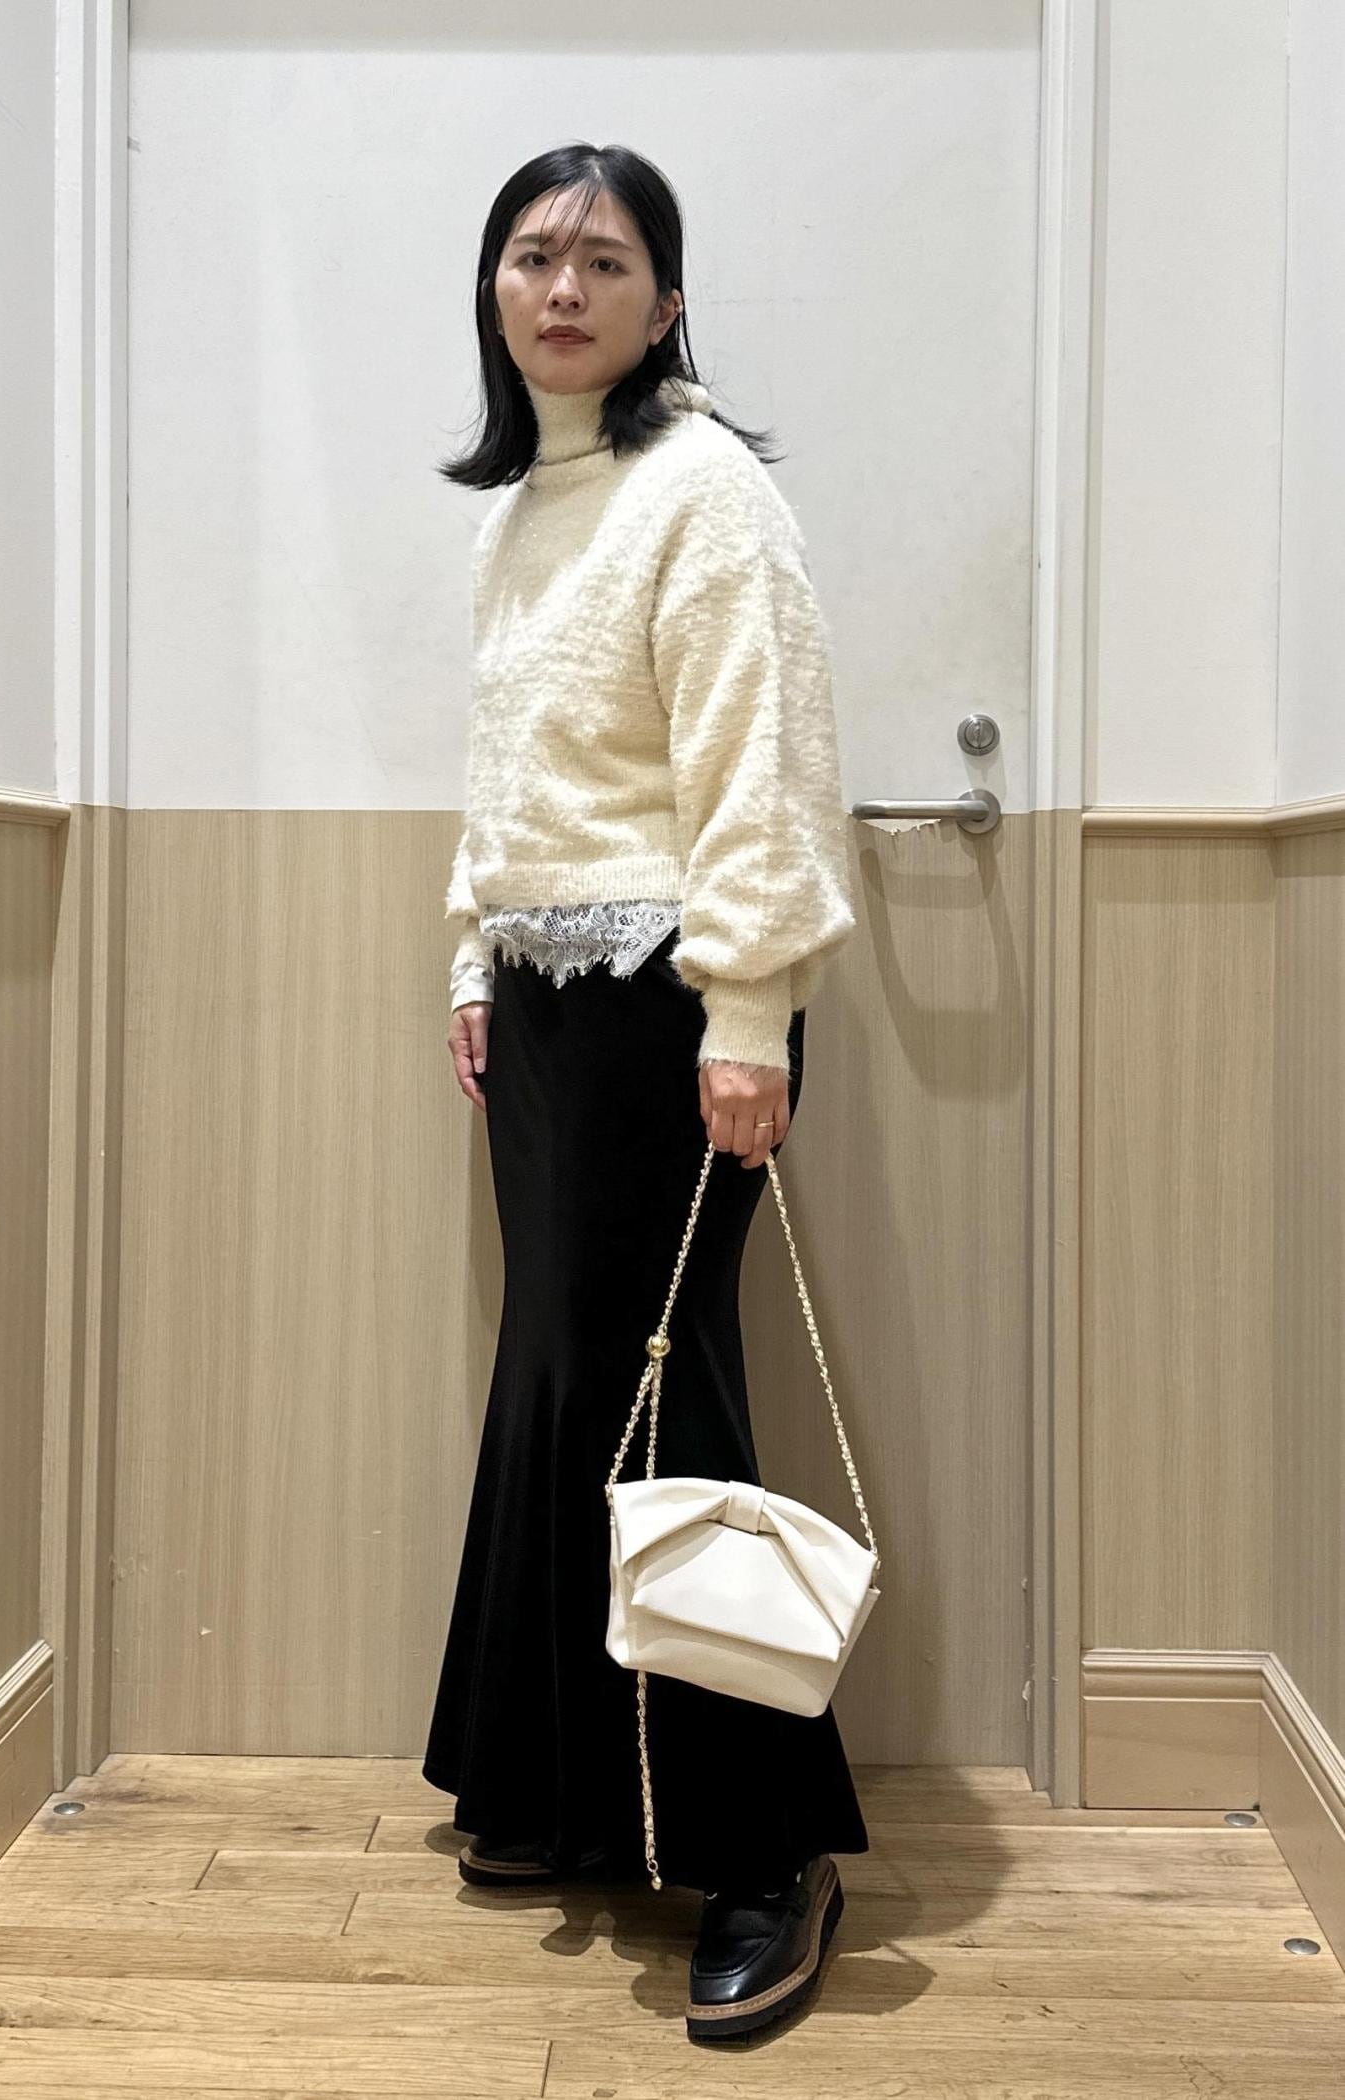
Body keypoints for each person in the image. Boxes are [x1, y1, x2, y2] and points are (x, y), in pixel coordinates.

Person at [422, 142, 869, 2047]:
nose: (564, 288)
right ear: (494, 290)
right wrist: (471, 957)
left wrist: (750, 1012)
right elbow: (505, 772)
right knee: (564, 1390)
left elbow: (763, 764)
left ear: (668, 305)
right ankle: (576, 1794)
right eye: (534, 255)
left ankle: (773, 1854)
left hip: (676, 1011)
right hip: (546, 1013)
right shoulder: (524, 508)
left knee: (663, 1406)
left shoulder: (706, 490)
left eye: (605, 261)